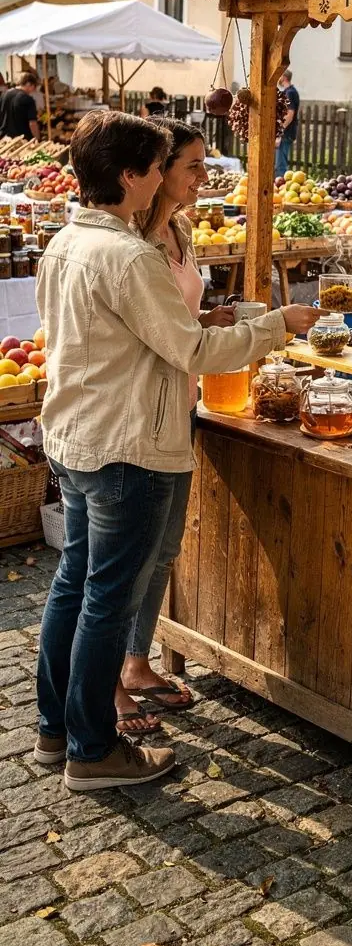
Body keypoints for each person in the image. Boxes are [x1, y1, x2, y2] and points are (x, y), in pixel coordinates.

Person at [35, 110, 319, 791]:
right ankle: (92, 751)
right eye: (159, 166)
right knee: (106, 599)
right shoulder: (130, 256)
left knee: (75, 585)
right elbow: (192, 350)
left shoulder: (66, 240)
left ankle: (56, 729)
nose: (166, 176)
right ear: (131, 176)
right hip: (126, 444)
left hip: (76, 436)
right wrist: (277, 325)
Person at [113, 119, 232, 736]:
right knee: (127, 558)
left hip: (182, 404)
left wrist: (212, 319)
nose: (203, 176)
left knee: (163, 549)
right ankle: (109, 682)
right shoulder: (133, 243)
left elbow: (177, 322)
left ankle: (136, 663)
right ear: (156, 173)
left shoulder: (180, 230)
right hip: (144, 414)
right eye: (192, 166)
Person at [0, 70, 40, 140]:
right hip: (22, 140)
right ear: (28, 84)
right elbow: (32, 123)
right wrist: (37, 139)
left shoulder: (3, 95)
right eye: (34, 87)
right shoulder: (28, 99)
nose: (33, 90)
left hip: (4, 138)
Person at [275, 69, 300, 177]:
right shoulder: (289, 92)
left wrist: (280, 131)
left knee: (280, 165)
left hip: (286, 133)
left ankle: (280, 184)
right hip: (286, 132)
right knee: (279, 163)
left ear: (284, 77)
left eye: (279, 76)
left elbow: (290, 114)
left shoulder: (290, 93)